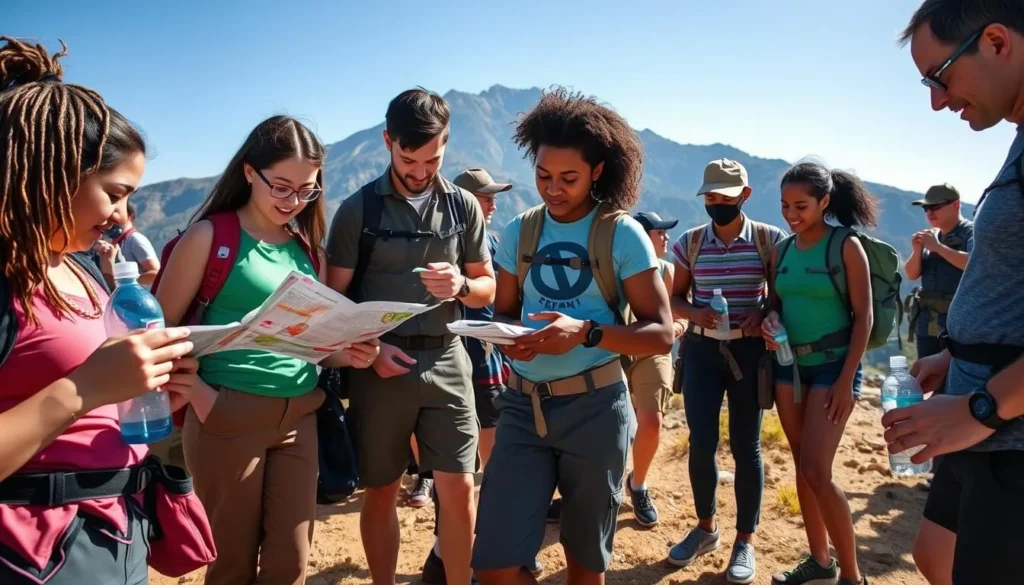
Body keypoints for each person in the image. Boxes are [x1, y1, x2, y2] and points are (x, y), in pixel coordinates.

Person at [0, 38, 200, 584]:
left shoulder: (84, 270)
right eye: (115, 193)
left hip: (117, 531)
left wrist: (150, 386)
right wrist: (86, 388)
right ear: (54, 172)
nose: (121, 216)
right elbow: (77, 389)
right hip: (33, 555)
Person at [155, 115, 381, 585]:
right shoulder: (208, 238)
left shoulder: (306, 250)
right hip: (226, 417)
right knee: (231, 565)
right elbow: (160, 332)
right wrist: (201, 395)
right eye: (281, 186)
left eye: (306, 190)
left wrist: (350, 352)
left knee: (290, 564)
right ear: (249, 174)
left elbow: (311, 343)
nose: (293, 201)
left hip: (300, 416)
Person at [472, 87, 674, 585]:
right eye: (543, 175)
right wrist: (510, 338)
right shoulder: (521, 231)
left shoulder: (620, 234)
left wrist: (586, 333)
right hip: (521, 410)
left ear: (598, 171)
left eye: (569, 178)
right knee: (494, 566)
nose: (553, 189)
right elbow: (506, 313)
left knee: (584, 565)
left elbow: (661, 333)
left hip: (596, 411)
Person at [326, 88, 495, 585]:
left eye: (433, 158)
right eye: (408, 159)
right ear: (387, 142)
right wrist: (371, 351)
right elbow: (333, 303)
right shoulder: (358, 211)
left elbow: (488, 288)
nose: (421, 171)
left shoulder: (463, 205)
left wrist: (463, 285)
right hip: (379, 368)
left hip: (447, 357)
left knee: (460, 488)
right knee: (381, 490)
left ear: (446, 144)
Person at [884, 4, 1024, 585]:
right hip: (973, 412)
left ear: (995, 41)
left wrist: (981, 408)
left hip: (1004, 429)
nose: (937, 101)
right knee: (934, 555)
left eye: (939, 77)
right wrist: (958, 358)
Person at [667, 159, 784, 585]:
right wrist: (697, 311)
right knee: (701, 442)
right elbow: (674, 299)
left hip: (750, 354)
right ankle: (706, 529)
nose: (716, 204)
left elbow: (781, 296)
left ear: (745, 197)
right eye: (710, 198)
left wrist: (763, 312)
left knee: (746, 446)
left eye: (725, 198)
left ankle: (745, 541)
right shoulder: (690, 242)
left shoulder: (771, 241)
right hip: (700, 351)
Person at [422, 167, 536, 583]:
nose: (492, 204)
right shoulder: (446, 243)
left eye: (492, 197)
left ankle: (478, 550)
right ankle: (450, 553)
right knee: (457, 471)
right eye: (485, 197)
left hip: (489, 362)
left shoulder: (490, 243)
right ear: (466, 201)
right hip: (455, 361)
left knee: (493, 464)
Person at [763, 161, 875, 585]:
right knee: (801, 465)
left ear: (824, 202)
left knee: (816, 470)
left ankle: (852, 575)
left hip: (834, 368)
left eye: (802, 205)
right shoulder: (782, 251)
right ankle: (820, 563)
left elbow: (862, 317)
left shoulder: (846, 245)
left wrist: (847, 380)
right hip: (789, 367)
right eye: (786, 205)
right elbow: (775, 305)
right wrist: (768, 322)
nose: (792, 214)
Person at [625, 211, 685, 527]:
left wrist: (676, 328)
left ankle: (638, 484)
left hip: (653, 353)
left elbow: (680, 313)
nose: (666, 237)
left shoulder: (668, 271)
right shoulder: (615, 267)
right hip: (616, 352)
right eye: (659, 232)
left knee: (651, 422)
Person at [905, 184, 973, 359]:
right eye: (926, 208)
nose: (929, 212)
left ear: (956, 205)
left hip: (959, 326)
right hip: (928, 324)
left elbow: (976, 264)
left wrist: (937, 247)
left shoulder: (972, 233)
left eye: (935, 207)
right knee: (927, 379)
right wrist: (918, 250)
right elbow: (911, 274)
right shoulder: (930, 235)